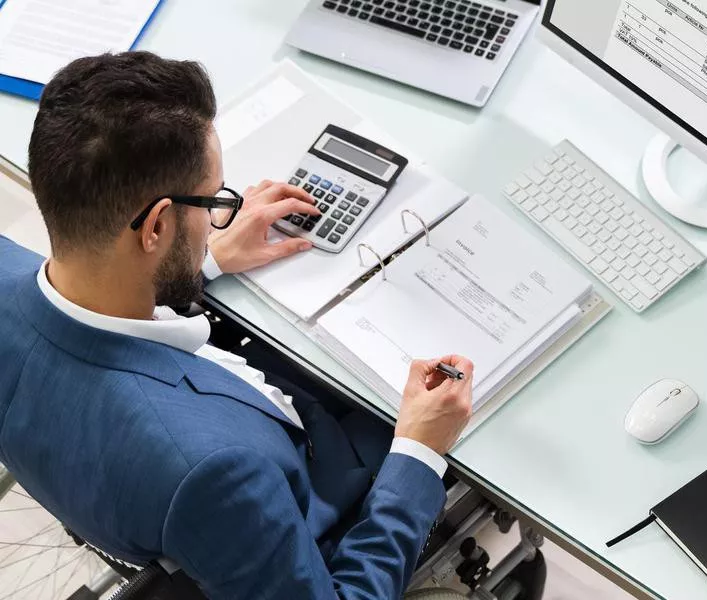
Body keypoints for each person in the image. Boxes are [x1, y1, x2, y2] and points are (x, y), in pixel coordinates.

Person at [0, 51, 474, 599]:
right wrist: (419, 451)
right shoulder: (215, 475)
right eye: (213, 203)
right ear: (155, 226)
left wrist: (200, 259)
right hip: (312, 497)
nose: (219, 218)